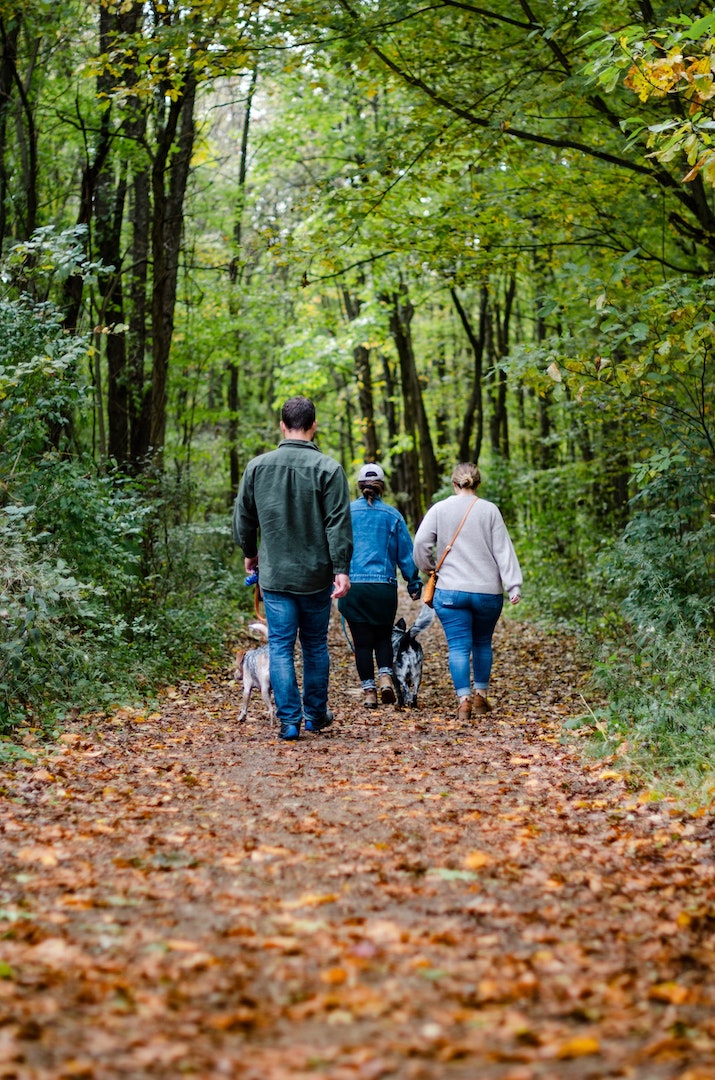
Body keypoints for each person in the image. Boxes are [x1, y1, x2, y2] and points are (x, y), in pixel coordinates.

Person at [233, 396, 353, 741]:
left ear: (282, 426)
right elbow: (338, 524)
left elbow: (243, 518)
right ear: (314, 426)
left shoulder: (256, 467)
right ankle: (315, 715)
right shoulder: (329, 469)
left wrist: (250, 552)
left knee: (282, 647)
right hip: (316, 575)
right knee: (315, 645)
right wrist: (341, 568)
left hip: (276, 575)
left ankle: (289, 722)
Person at [413, 462, 522, 721]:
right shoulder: (489, 510)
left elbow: (420, 543)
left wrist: (429, 568)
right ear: (478, 484)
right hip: (487, 592)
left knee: (458, 647)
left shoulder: (440, 509)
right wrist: (513, 585)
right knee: (482, 643)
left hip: (450, 591)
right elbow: (503, 550)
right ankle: (481, 696)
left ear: (454, 483)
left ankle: (463, 700)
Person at [338, 463, 422, 708]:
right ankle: (385, 677)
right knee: (383, 638)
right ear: (382, 487)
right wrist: (413, 582)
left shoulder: (346, 513)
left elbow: (336, 546)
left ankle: (369, 693)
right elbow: (406, 554)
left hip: (354, 588)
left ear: (359, 486)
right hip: (383, 588)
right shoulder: (393, 516)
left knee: (362, 643)